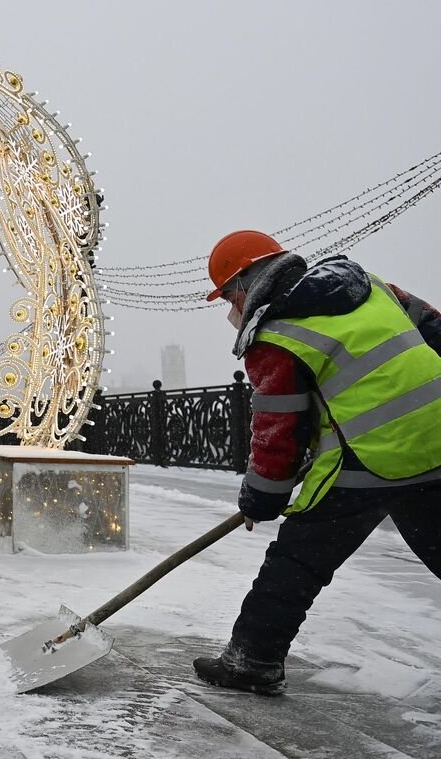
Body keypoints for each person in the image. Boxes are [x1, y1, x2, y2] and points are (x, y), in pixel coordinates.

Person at [193, 230, 441, 694]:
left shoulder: (275, 335)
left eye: (227, 297)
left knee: (298, 559)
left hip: (375, 455)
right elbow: (435, 329)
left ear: (246, 284)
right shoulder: (366, 284)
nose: (229, 309)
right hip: (438, 438)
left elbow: (277, 435)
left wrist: (260, 501)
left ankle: (252, 661)